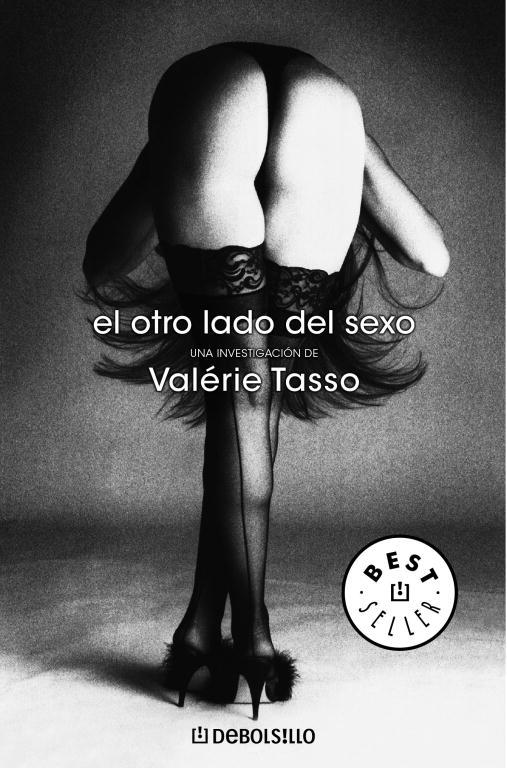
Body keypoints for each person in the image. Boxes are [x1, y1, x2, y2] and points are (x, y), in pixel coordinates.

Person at [82, 42, 449, 720]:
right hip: (326, 101)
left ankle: (247, 636)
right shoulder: (340, 117)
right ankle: (208, 628)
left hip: (211, 88)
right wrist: (356, 150)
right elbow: (431, 256)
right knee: (253, 405)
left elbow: (101, 263)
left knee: (240, 402)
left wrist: (167, 158)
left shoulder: (198, 99)